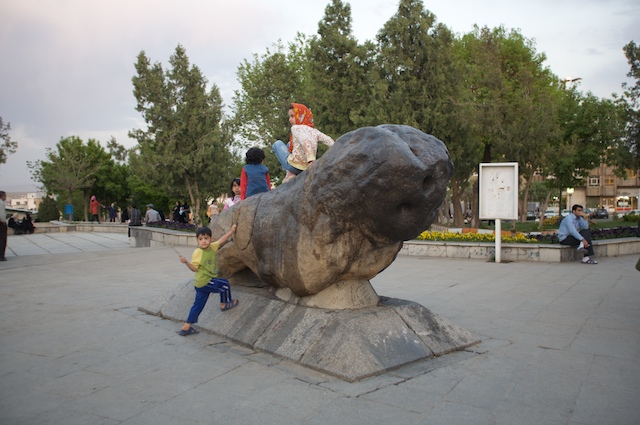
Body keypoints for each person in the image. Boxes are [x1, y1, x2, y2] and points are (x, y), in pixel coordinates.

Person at [177, 225, 239, 336]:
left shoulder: (212, 247)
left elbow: (221, 241)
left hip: (201, 283)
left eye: (206, 238)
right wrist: (186, 262)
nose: (204, 241)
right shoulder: (198, 252)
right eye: (200, 239)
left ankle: (186, 327)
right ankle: (224, 304)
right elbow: (194, 269)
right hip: (204, 281)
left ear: (210, 239)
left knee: (198, 306)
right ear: (197, 241)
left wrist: (232, 231)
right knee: (224, 285)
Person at [271, 103, 334, 183]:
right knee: (289, 144)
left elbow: (305, 140)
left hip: (294, 166)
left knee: (277, 144)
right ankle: (291, 172)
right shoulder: (314, 131)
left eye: (292, 116)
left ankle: (289, 173)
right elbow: (329, 140)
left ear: (301, 116)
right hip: (305, 168)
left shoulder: (295, 128)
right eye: (289, 117)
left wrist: (311, 160)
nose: (290, 119)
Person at [0, 191, 7, 261]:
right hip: (1, 224)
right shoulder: (1, 203)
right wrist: (4, 221)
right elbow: (1, 215)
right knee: (2, 239)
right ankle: (1, 255)